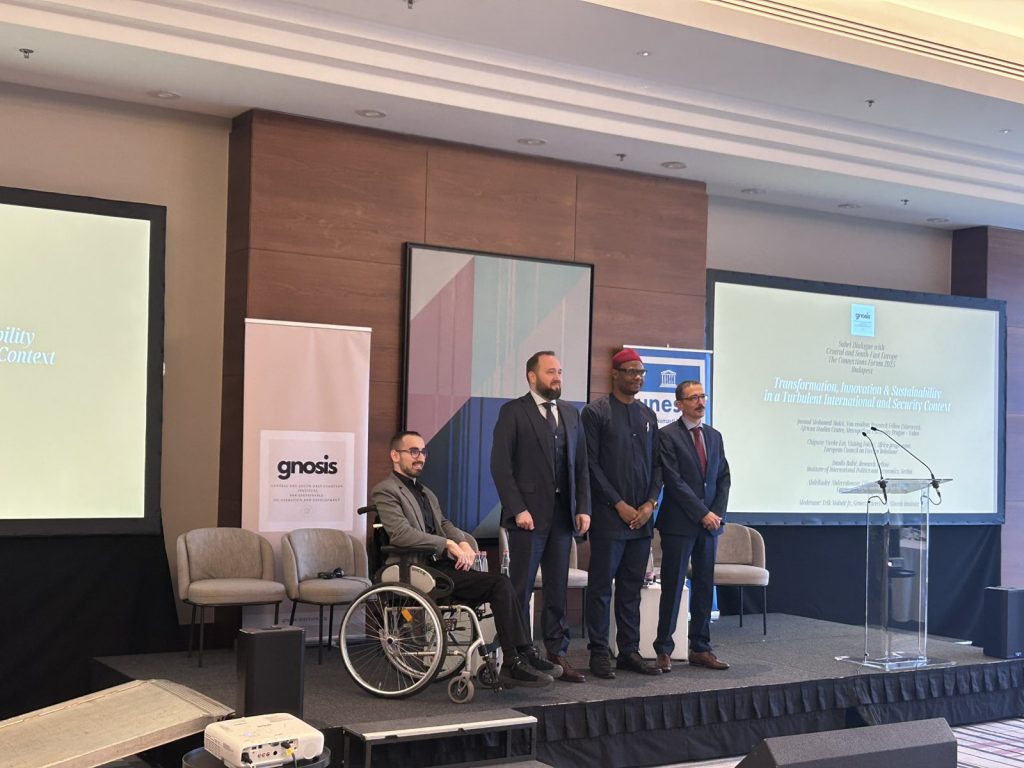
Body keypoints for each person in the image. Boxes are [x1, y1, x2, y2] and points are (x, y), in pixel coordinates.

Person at [372, 430, 561, 688]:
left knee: (502, 583)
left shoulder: (425, 492)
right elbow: (401, 534)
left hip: (438, 567)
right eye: (413, 451)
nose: (420, 457)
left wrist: (461, 541)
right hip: (413, 567)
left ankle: (522, 654)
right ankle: (513, 661)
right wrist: (447, 544)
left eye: (423, 451)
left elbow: (444, 524)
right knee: (500, 585)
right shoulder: (386, 490)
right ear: (395, 455)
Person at [490, 350, 591, 683]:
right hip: (527, 519)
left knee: (557, 589)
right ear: (532, 376)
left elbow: (581, 465)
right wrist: (518, 509)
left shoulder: (571, 413)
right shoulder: (513, 412)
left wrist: (583, 507)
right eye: (550, 372)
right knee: (520, 589)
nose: (557, 377)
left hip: (563, 518)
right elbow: (501, 467)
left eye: (559, 371)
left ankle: (557, 653)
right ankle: (518, 654)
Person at [581, 348, 663, 678]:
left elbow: (658, 465)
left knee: (631, 589)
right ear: (615, 374)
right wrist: (619, 504)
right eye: (631, 371)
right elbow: (590, 465)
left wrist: (650, 504)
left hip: (642, 520)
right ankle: (599, 652)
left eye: (641, 372)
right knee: (601, 588)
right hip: (608, 517)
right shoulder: (595, 412)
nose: (637, 377)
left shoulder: (648, 415)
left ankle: (629, 651)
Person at [654, 380, 731, 672]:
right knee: (673, 586)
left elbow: (723, 478)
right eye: (693, 398)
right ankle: (664, 649)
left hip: (709, 526)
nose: (700, 402)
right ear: (679, 404)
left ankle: (701, 647)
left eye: (703, 396)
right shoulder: (667, 436)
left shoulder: (714, 436)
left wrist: (716, 514)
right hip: (679, 524)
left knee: (704, 586)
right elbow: (674, 482)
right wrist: (702, 513)